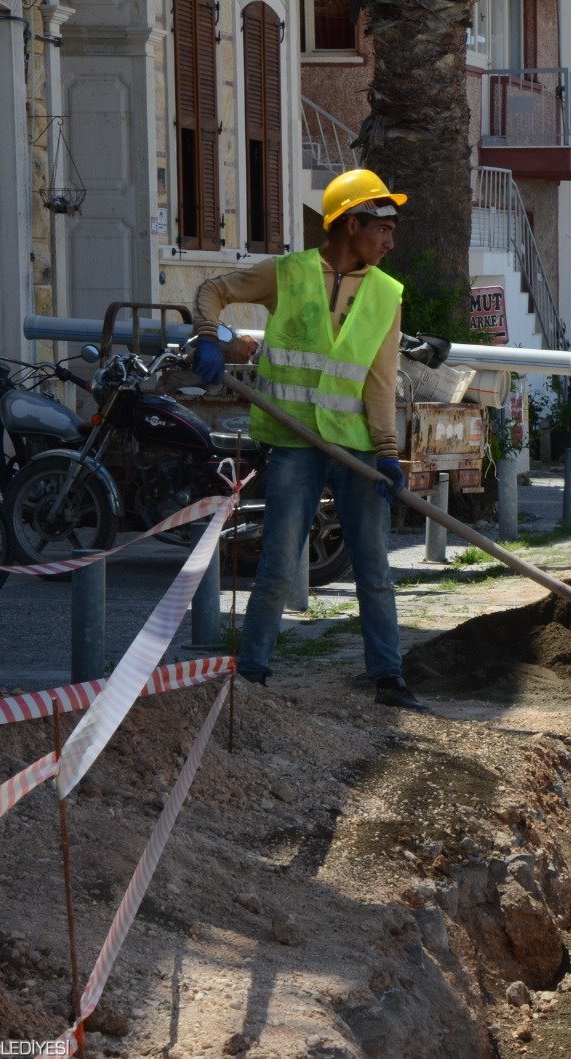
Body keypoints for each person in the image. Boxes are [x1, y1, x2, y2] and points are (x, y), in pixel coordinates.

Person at [190, 168, 426, 712]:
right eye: (384, 228)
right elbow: (213, 291)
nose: (391, 241)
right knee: (277, 561)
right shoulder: (288, 274)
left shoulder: (387, 294)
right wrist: (207, 336)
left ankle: (388, 678)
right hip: (295, 443)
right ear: (351, 225)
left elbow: (380, 381)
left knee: (373, 567)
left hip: (356, 446)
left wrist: (388, 454)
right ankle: (251, 675)